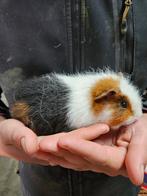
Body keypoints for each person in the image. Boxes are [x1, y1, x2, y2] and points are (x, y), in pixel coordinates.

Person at [0, 0, 147, 195]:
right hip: (38, 174)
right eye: (122, 104)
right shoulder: (84, 106)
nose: (132, 113)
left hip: (118, 181)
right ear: (103, 98)